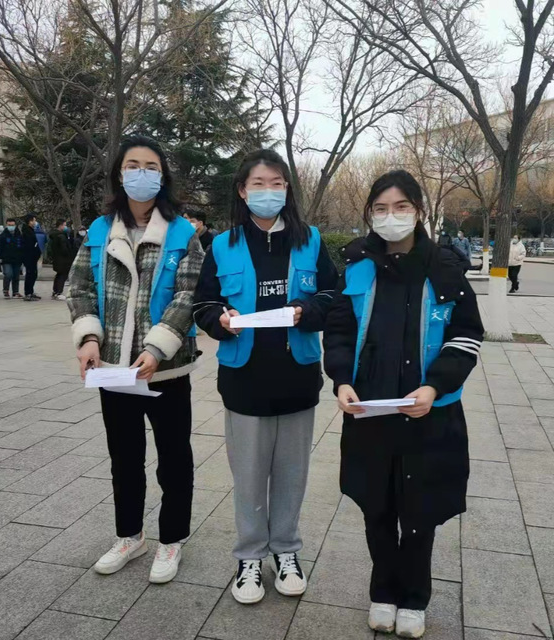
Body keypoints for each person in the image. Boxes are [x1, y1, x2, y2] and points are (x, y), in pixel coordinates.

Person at [323, 170, 484, 638]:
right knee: (376, 507)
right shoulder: (357, 266)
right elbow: (339, 330)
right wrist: (341, 381)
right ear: (369, 214)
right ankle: (383, 591)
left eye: (400, 207)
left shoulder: (447, 268)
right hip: (370, 412)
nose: (390, 217)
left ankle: (414, 597)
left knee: (419, 509)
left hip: (428, 412)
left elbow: (466, 335)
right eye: (380, 208)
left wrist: (434, 386)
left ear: (418, 211)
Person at [193, 149, 338, 605]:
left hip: (297, 376)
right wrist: (221, 320)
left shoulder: (310, 240)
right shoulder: (223, 245)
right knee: (250, 475)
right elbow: (203, 304)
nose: (268, 192)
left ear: (287, 189)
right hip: (245, 379)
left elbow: (333, 295)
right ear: (242, 190)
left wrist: (306, 310)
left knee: (292, 474)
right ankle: (250, 556)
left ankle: (286, 549)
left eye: (276, 183)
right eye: (258, 183)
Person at [67, 134, 204, 584]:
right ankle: (129, 535)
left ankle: (172, 539)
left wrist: (157, 346)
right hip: (113, 369)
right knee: (124, 458)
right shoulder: (100, 230)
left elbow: (189, 294)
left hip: (166, 368)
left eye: (151, 166)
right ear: (119, 173)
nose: (141, 173)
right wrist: (89, 338)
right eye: (132, 165)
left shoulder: (182, 233)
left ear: (162, 176)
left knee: (174, 458)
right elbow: (79, 286)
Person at [0, 217, 24, 299]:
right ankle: (6, 290)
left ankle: (15, 292)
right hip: (6, 259)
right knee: (8, 274)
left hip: (17, 259)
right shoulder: (3, 236)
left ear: (15, 225)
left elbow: (22, 247)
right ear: (6, 225)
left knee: (16, 276)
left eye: (12, 225)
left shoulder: (19, 235)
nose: (11, 227)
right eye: (9, 225)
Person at [49, 218, 75, 300]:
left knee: (59, 275)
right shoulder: (61, 236)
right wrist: (69, 255)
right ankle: (58, 292)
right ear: (60, 226)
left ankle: (55, 291)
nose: (66, 227)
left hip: (57, 259)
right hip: (63, 260)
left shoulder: (54, 235)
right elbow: (65, 249)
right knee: (62, 276)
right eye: (64, 225)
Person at [21, 213, 42, 301]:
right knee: (30, 275)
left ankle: (31, 291)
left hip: (33, 257)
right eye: (34, 220)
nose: (35, 222)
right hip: (29, 257)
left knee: (33, 274)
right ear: (30, 221)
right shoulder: (27, 232)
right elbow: (29, 245)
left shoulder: (30, 230)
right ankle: (28, 293)